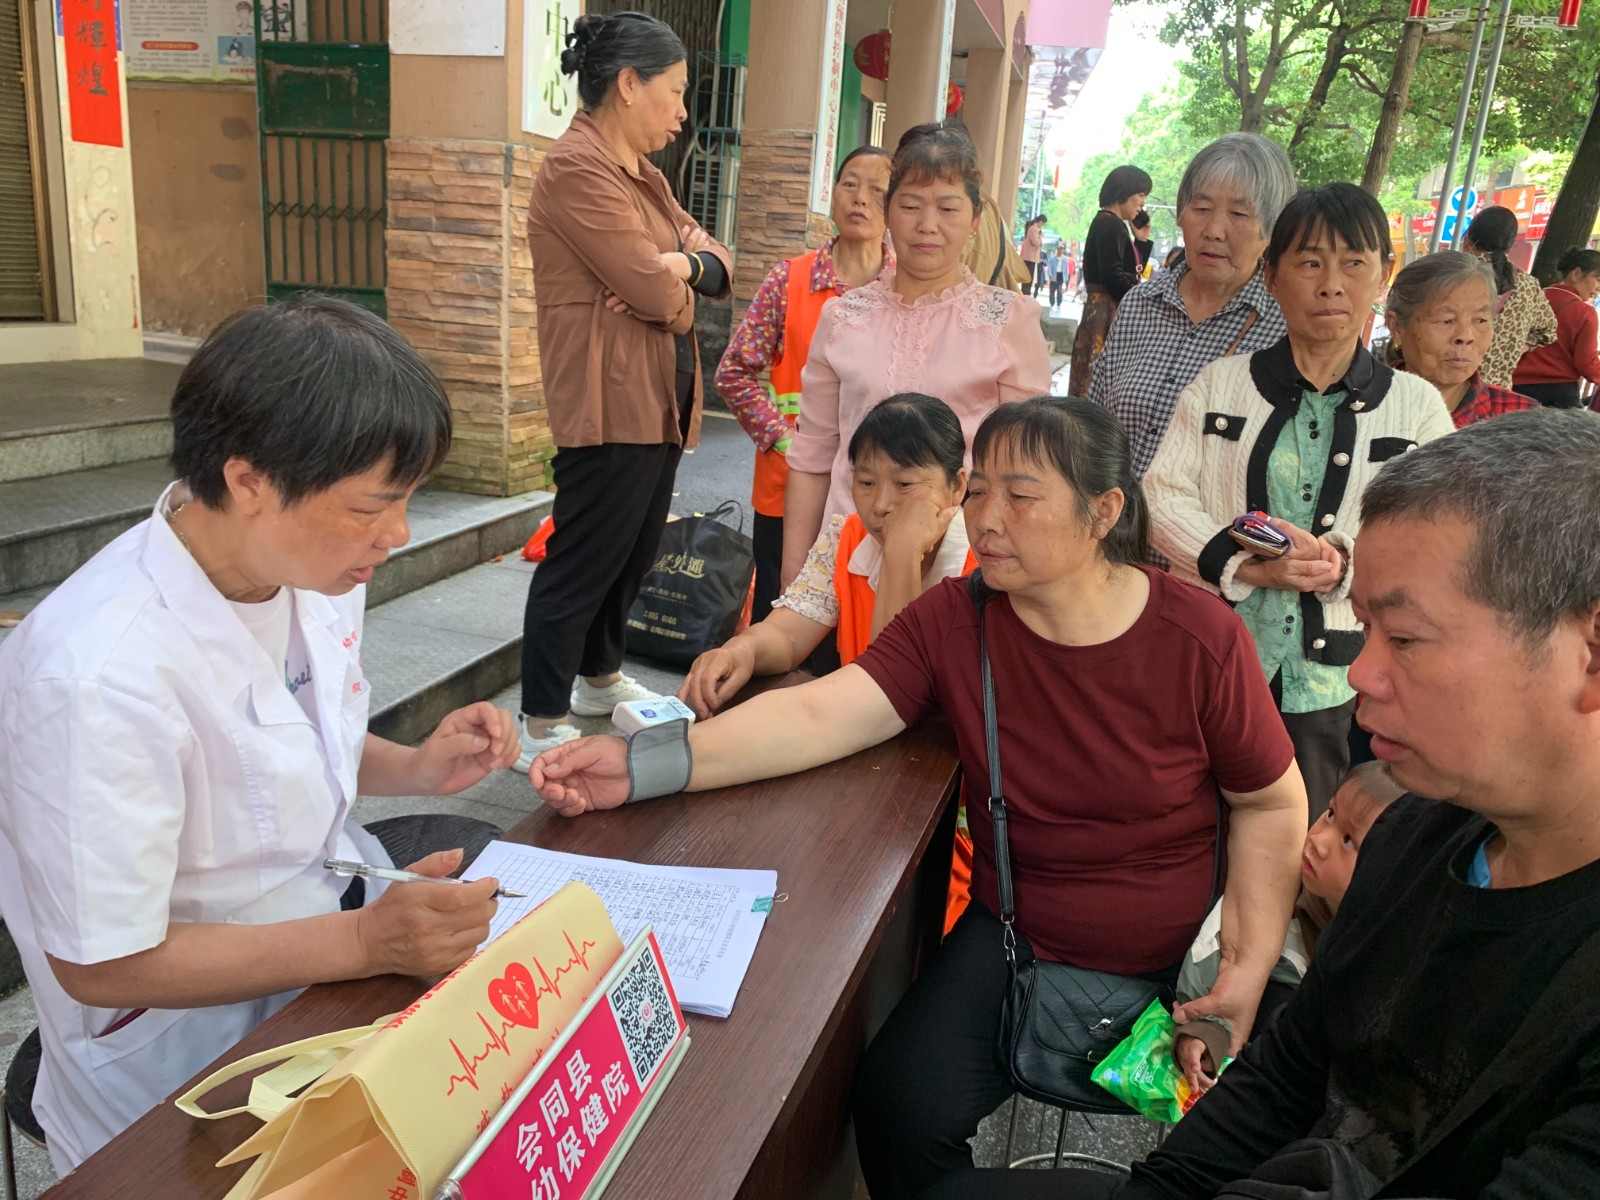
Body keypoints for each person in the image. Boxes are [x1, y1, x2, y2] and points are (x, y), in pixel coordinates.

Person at [529, 398, 1309, 1200]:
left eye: (1021, 495)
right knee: (895, 1108)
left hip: (1182, 957)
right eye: (979, 490)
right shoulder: (957, 620)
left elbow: (1271, 803)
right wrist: (645, 764)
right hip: (1017, 936)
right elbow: (821, 712)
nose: (988, 518)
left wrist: (1242, 973)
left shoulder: (1199, 638)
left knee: (1256, 1155)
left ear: (1103, 511)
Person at [920, 407, 1600, 1200]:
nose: (1361, 674)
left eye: (1406, 638)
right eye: (1365, 628)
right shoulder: (1416, 838)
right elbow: (1286, 1076)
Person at [0, 297, 517, 1172]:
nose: (396, 535)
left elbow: (287, 735)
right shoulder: (95, 677)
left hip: (315, 963)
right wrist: (367, 943)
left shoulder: (308, 569)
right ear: (249, 483)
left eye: (407, 501)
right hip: (176, 1057)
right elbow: (102, 964)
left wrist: (419, 766)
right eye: (372, 506)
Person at [1145, 182, 1456, 819]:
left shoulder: (1416, 406)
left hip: (1332, 677)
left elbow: (1440, 533)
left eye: (1354, 263)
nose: (1331, 285)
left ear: (1383, 275)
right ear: (1272, 275)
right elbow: (1161, 494)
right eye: (1310, 262)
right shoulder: (1221, 385)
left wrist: (1345, 566)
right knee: (1187, 820)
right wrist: (1243, 565)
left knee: (1302, 830)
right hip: (1209, 658)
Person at [518, 12, 731, 767]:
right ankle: (540, 719)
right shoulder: (577, 169)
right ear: (630, 84)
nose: (683, 112)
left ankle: (599, 678)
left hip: (659, 397)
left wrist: (681, 267)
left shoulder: (645, 175)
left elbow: (718, 262)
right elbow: (651, 288)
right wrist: (675, 285)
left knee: (633, 551)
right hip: (606, 399)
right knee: (583, 559)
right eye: (675, 91)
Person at [780, 123, 1051, 592]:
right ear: (888, 212)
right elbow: (813, 456)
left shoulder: (1008, 320)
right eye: (910, 206)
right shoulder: (843, 317)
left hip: (960, 568)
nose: (927, 224)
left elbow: (1025, 466)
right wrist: (794, 581)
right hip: (846, 559)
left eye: (948, 208)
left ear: (974, 220)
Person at [677, 393, 973, 717]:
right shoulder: (845, 537)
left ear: (957, 486)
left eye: (904, 484)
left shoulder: (987, 563)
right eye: (867, 482)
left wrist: (901, 553)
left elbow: (895, 684)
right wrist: (740, 651)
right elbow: (786, 635)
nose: (881, 505)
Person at [715, 145, 893, 623]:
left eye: (877, 190)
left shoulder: (904, 291)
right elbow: (734, 372)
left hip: (876, 496)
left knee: (858, 623)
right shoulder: (789, 280)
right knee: (781, 615)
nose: (860, 198)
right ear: (832, 194)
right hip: (787, 487)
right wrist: (782, 438)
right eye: (849, 183)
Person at [1173, 761, 1405, 1095]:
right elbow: (1214, 963)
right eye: (1329, 814)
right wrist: (1206, 1034)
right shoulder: (1279, 897)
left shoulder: (1396, 949)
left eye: (1349, 841)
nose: (1318, 840)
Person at [1090, 133, 1296, 478]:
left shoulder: (1286, 330)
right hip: (1114, 510)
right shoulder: (1139, 304)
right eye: (1201, 208)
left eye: (1239, 213)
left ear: (1272, 230)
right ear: (1181, 214)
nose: (1214, 230)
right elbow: (1093, 428)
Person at [1385, 250, 1538, 427]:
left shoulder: (1522, 420)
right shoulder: (1365, 408)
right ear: (1396, 327)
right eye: (1446, 320)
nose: (1466, 336)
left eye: (1480, 320)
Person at [1068, 164, 1155, 397]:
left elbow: (1129, 271)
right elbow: (1114, 276)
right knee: (1097, 379)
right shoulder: (1110, 223)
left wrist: (1141, 241)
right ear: (1124, 192)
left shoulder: (1110, 223)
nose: (1142, 202)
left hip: (1102, 310)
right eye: (1140, 195)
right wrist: (1142, 297)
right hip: (1105, 313)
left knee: (1091, 377)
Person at [1460, 205, 1556, 387]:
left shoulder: (1456, 275)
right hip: (1498, 393)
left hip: (1451, 387)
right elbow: (1548, 330)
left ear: (1468, 239)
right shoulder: (1529, 285)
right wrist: (1515, 348)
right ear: (1511, 245)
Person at [1512, 246, 1600, 408]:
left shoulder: (1532, 298)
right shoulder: (1585, 313)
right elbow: (1586, 363)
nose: (1599, 288)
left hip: (1515, 388)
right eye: (1598, 279)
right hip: (1559, 395)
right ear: (1576, 274)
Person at [1018, 214, 1046, 297]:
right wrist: (1040, 237)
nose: (1042, 226)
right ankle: (1026, 294)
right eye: (1043, 224)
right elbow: (1036, 243)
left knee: (1028, 277)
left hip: (1029, 257)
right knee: (1028, 278)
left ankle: (1025, 293)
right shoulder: (1034, 229)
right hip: (1030, 258)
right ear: (1041, 221)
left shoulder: (1031, 228)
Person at [1048, 243, 1069, 308]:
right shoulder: (1052, 258)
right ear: (1057, 249)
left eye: (1062, 249)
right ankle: (1052, 303)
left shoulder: (1065, 259)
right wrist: (1050, 275)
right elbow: (1049, 267)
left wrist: (1066, 278)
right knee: (1052, 290)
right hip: (1054, 275)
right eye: (1059, 249)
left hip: (1061, 275)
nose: (1060, 250)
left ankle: (1059, 303)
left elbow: (1066, 268)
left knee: (1059, 290)